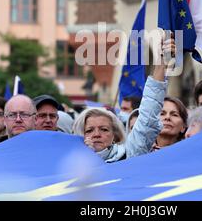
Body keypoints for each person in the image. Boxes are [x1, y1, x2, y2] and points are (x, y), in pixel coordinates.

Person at [73, 32, 174, 162]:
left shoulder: (129, 156)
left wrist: (161, 63)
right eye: (89, 131)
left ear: (115, 136)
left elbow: (147, 119)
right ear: (80, 135)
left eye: (104, 129)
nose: (96, 135)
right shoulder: (70, 165)